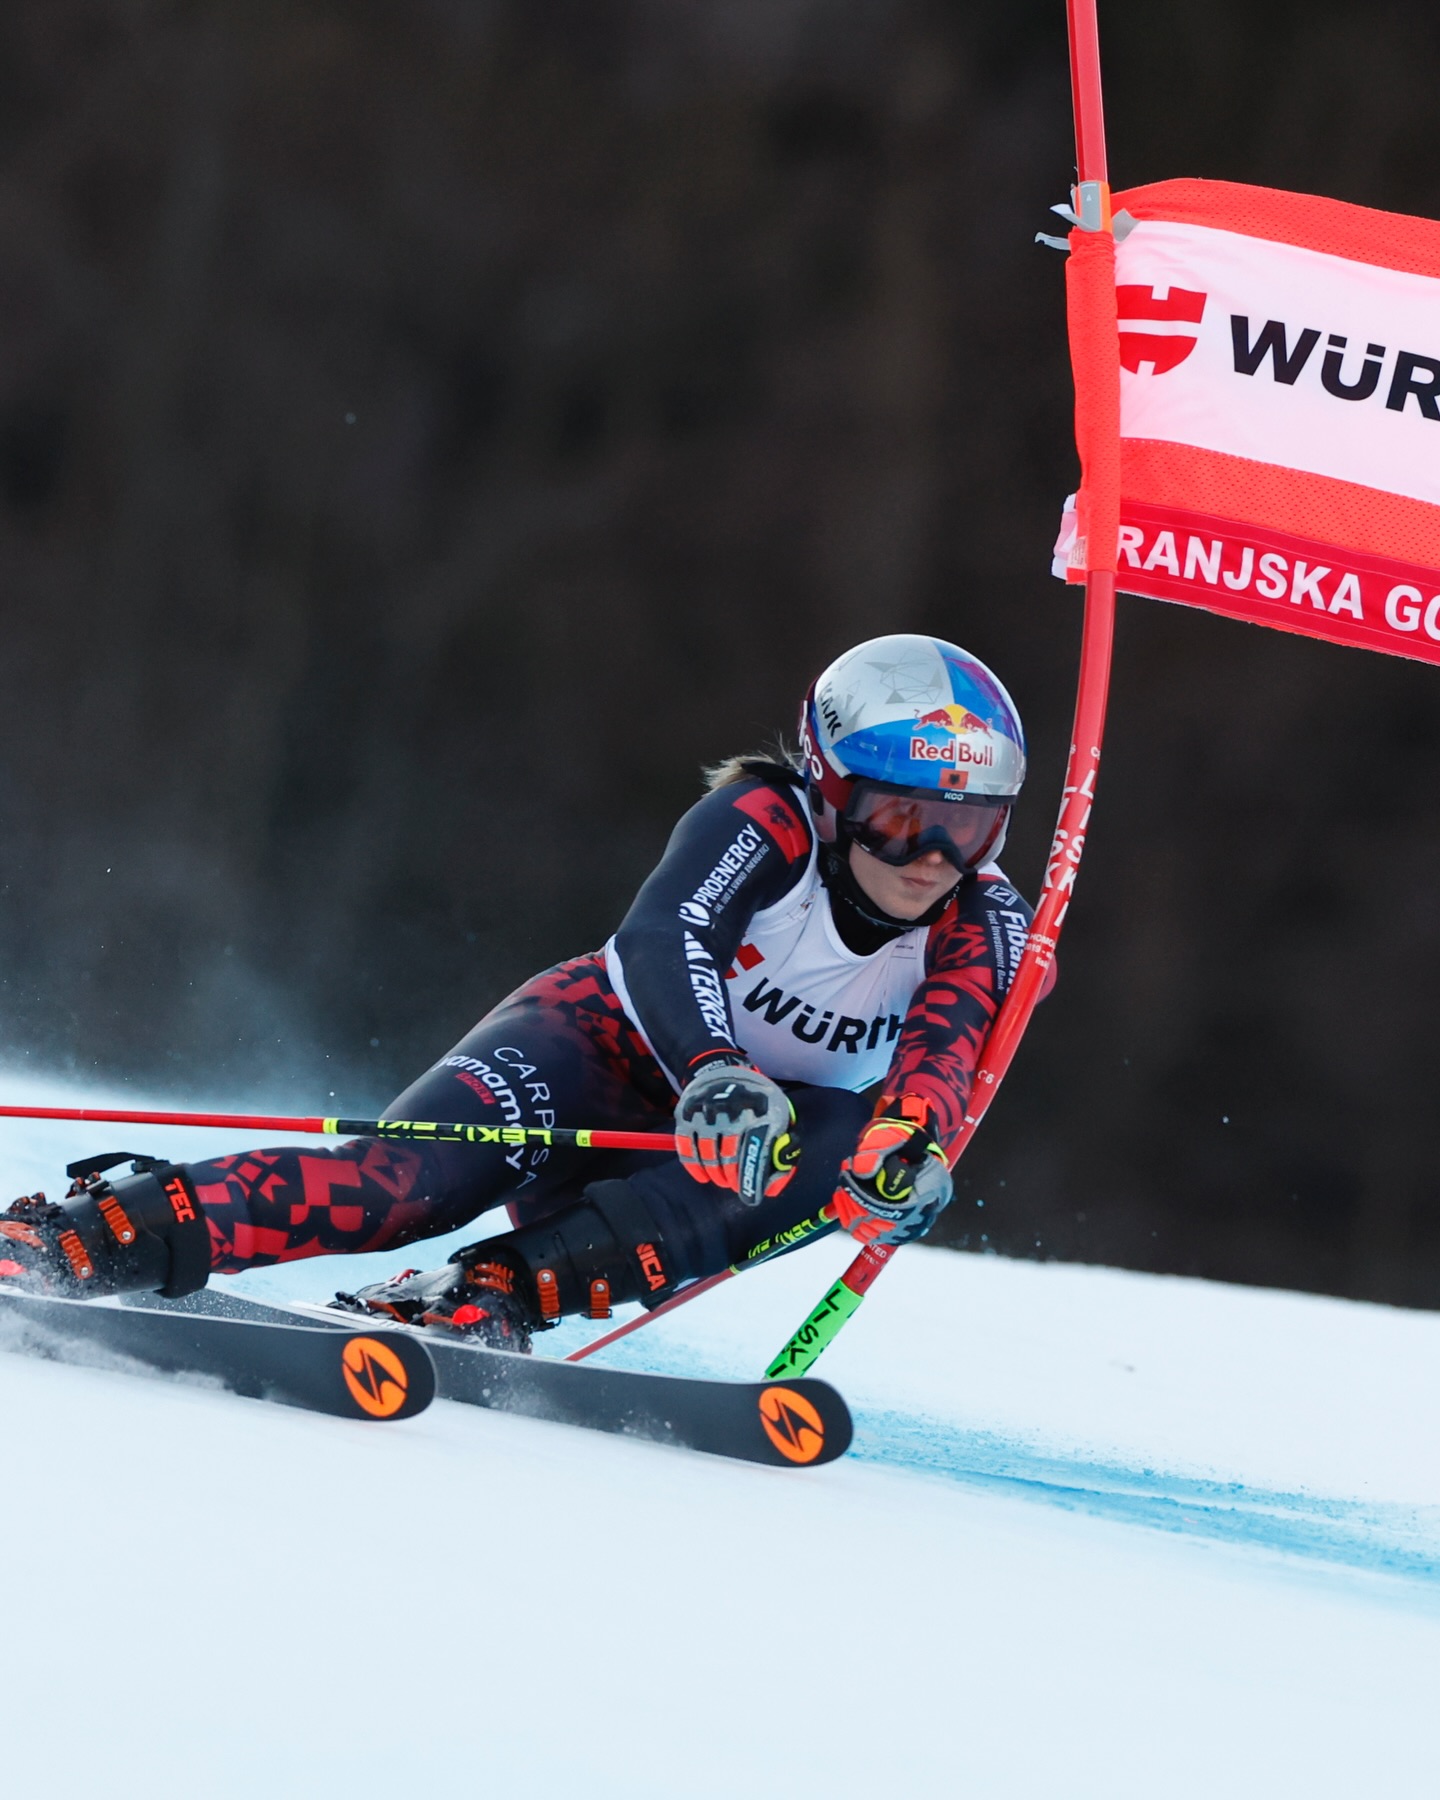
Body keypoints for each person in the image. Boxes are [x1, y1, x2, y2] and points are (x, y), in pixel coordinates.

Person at [0, 633, 1038, 1351]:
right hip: (595, 1051)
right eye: (906, 820)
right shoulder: (767, 821)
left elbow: (943, 1054)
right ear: (833, 787)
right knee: (399, 1191)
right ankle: (91, 1234)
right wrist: (716, 1067)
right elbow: (665, 934)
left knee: (835, 1139)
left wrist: (907, 1150)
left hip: (706, 1165)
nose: (935, 857)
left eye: (973, 825)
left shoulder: (983, 921)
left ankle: (486, 1294)